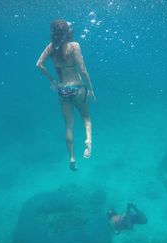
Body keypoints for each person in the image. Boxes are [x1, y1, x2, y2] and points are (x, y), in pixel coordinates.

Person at [36, 19, 96, 171]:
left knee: (69, 125)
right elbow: (83, 70)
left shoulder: (51, 48)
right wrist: (90, 89)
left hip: (62, 90)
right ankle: (88, 142)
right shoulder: (74, 46)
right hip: (78, 87)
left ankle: (72, 157)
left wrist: (52, 80)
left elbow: (39, 65)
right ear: (67, 32)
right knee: (86, 119)